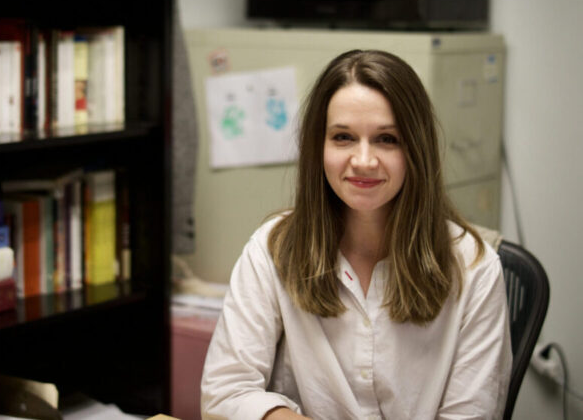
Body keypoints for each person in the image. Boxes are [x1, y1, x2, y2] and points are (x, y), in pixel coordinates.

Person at [200, 49, 512, 420]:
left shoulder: (475, 269)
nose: (364, 161)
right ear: (319, 147)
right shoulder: (273, 250)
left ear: (417, 149)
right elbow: (224, 394)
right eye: (343, 137)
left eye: (387, 139)